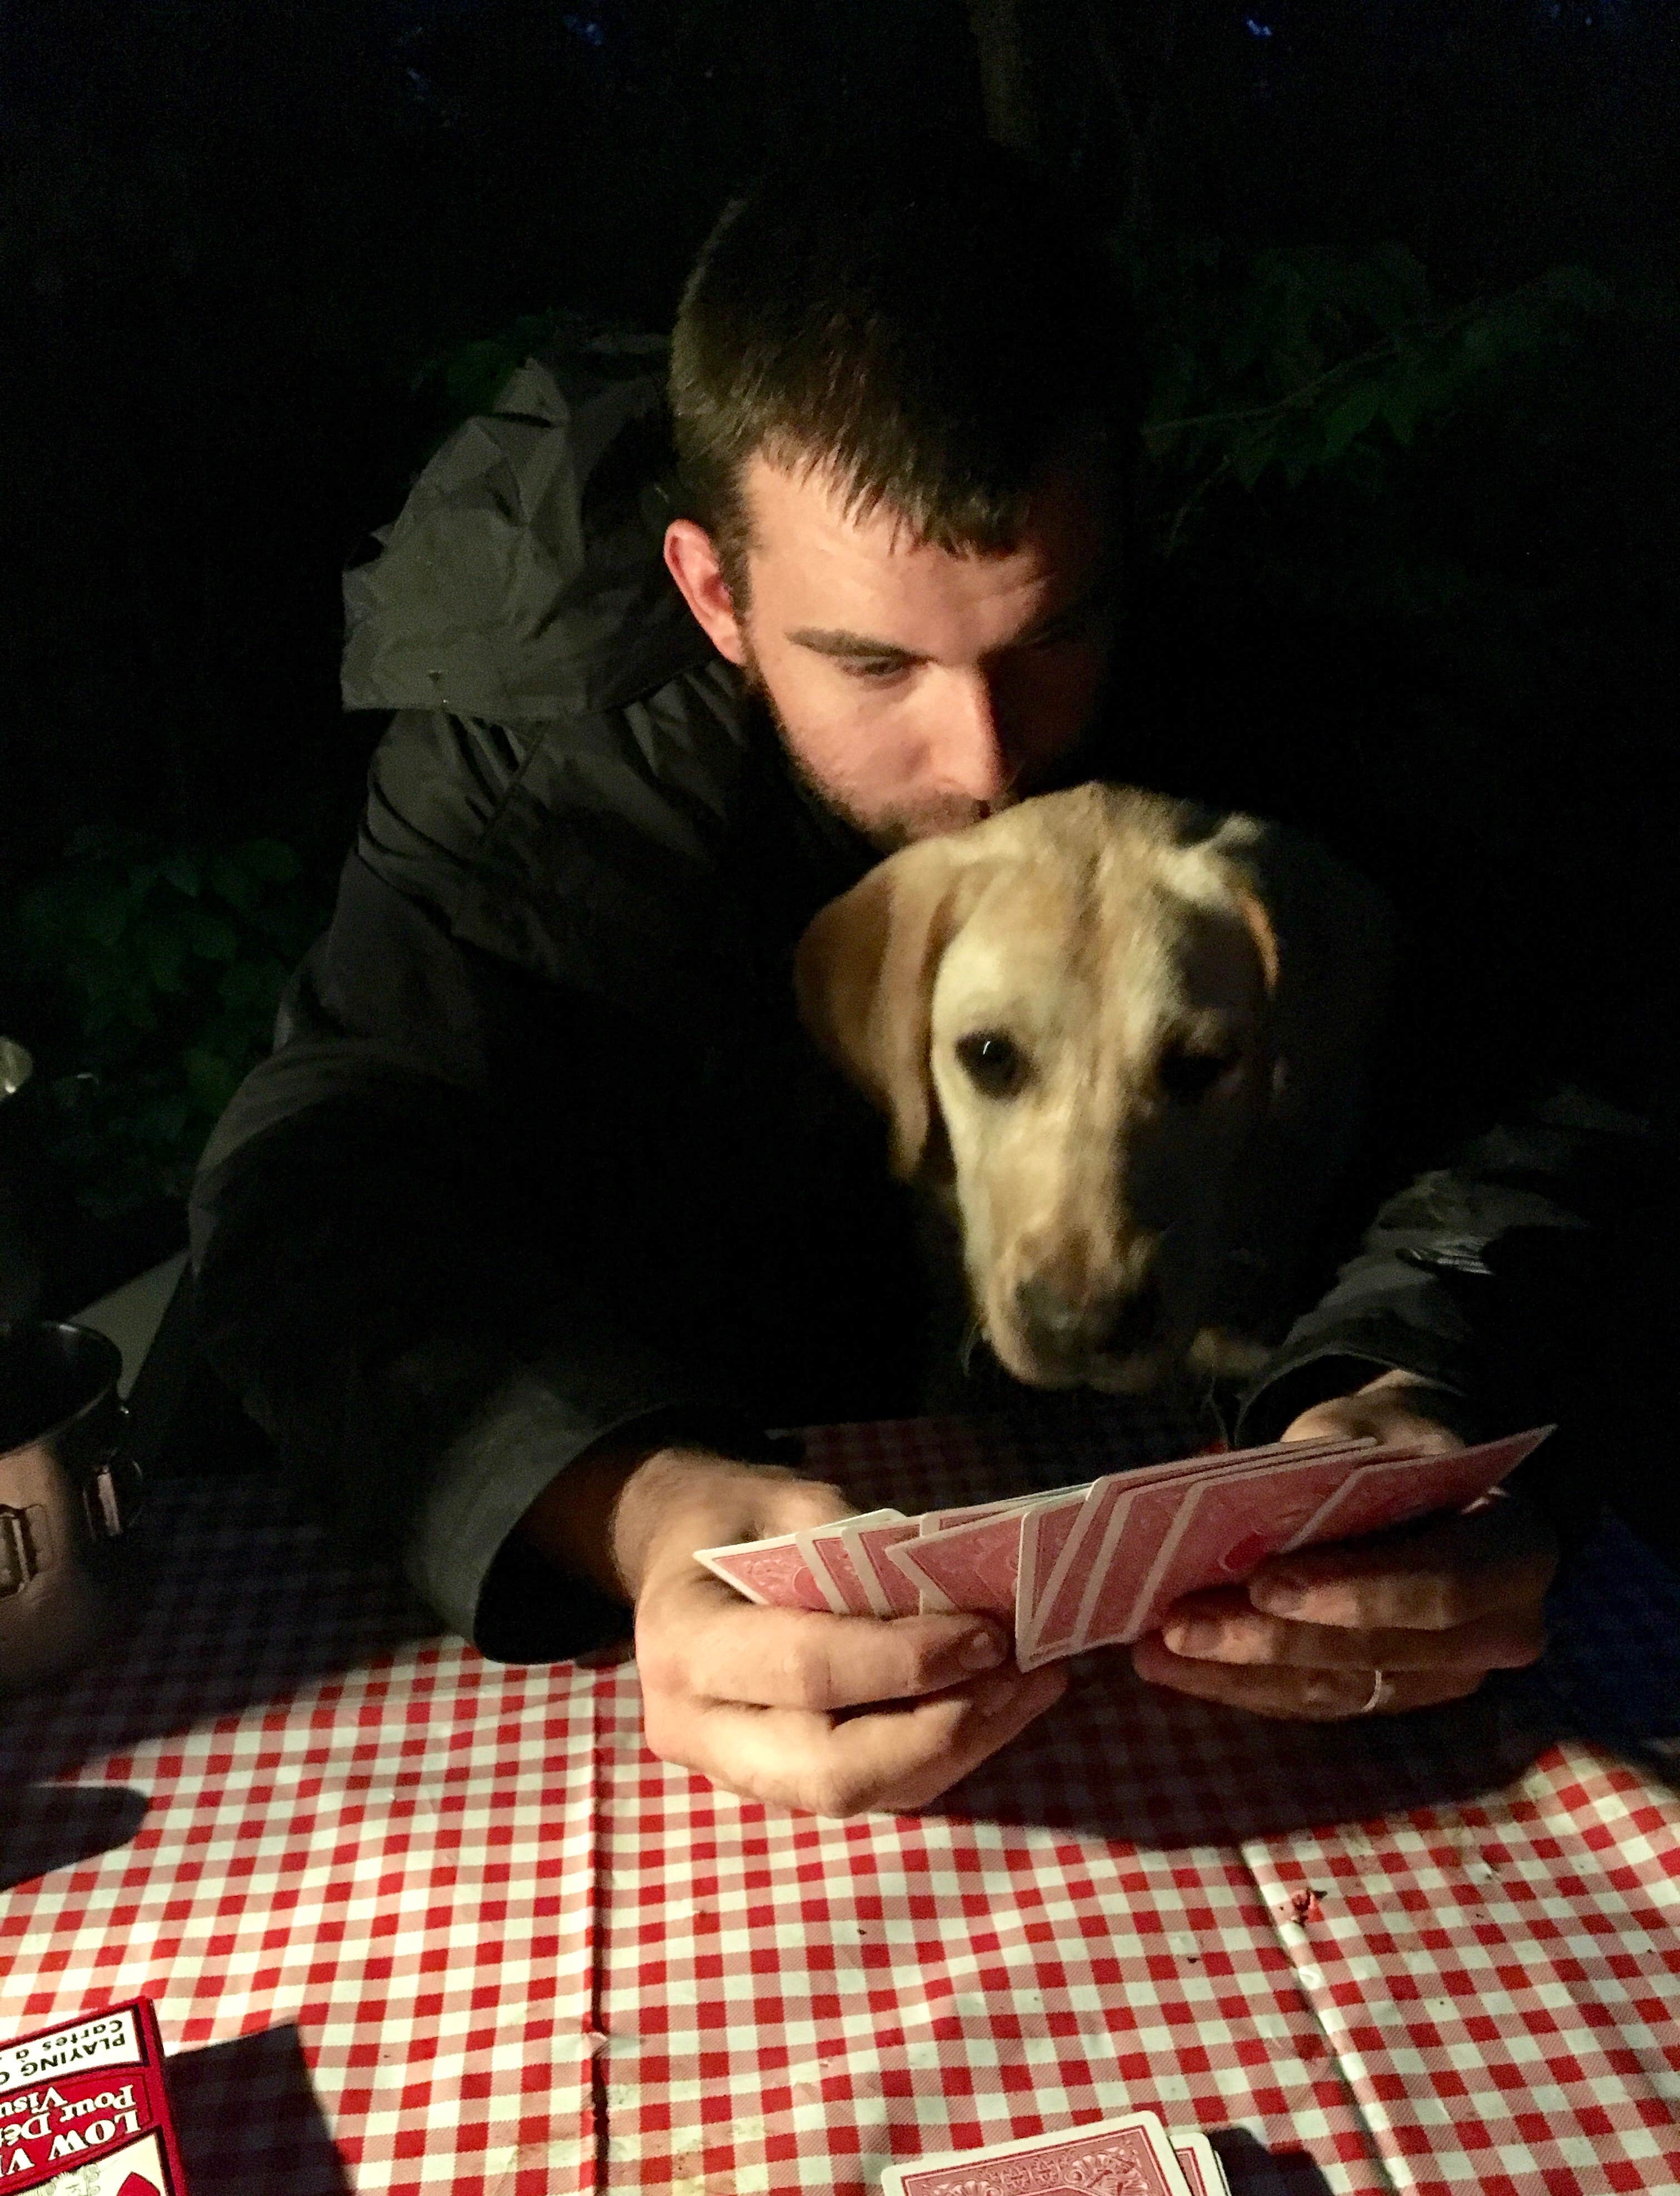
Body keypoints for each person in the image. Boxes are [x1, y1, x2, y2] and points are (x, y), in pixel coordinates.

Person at [189, 143, 1652, 1818]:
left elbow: (1547, 1104)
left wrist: (1408, 1391)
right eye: (874, 661)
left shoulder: (1280, 725)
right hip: (694, 1632)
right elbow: (313, 1198)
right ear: (714, 591)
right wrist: (633, 1501)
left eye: (1050, 634)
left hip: (1172, 1655)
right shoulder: (548, 780)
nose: (984, 758)